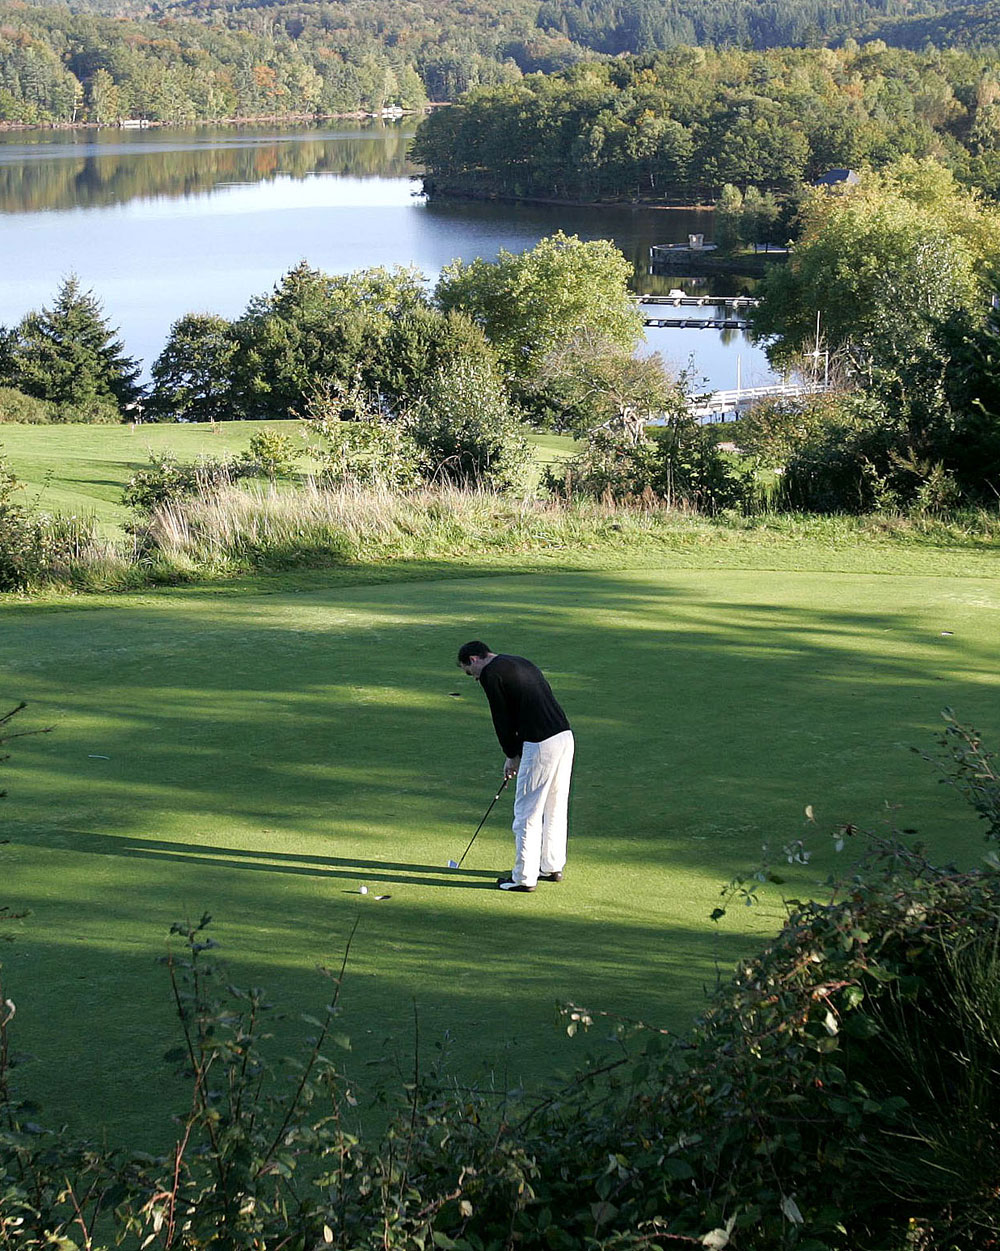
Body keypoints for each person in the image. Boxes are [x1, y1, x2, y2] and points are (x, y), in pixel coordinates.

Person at [456, 641, 575, 893]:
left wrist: (511, 754)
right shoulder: (519, 661)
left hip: (541, 742)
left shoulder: (491, 673)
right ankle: (551, 865)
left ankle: (523, 877)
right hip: (564, 736)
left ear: (474, 659)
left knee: (526, 812)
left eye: (470, 672)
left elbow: (502, 717)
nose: (475, 679)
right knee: (555, 804)